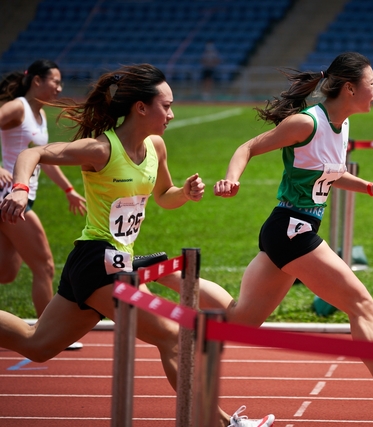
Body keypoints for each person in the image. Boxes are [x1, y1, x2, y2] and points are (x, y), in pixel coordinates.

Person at [0, 63, 273, 427]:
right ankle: (223, 424)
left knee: (38, 345)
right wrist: (19, 190)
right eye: (166, 106)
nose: (172, 114)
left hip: (112, 263)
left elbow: (163, 196)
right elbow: (31, 154)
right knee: (173, 336)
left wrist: (186, 194)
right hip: (97, 263)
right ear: (140, 107)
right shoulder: (100, 149)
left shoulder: (156, 146)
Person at [213, 52, 373, 425]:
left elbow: (329, 173)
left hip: (289, 231)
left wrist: (368, 187)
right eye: (371, 84)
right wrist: (232, 178)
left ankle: (168, 273)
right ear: (350, 88)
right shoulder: (306, 122)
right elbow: (248, 147)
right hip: (292, 230)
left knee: (238, 322)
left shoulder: (343, 123)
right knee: (361, 304)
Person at [0, 59, 87, 318]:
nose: (59, 88)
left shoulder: (39, 114)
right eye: (55, 82)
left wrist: (68, 189)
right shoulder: (19, 107)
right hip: (12, 196)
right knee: (45, 267)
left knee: (6, 273)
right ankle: (47, 333)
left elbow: (42, 158)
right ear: (37, 81)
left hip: (24, 196)